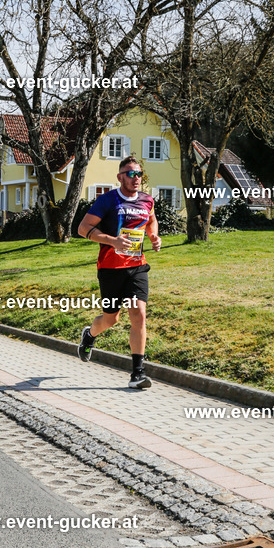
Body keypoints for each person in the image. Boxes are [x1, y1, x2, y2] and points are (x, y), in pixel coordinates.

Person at [77, 156, 161, 389]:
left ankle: (138, 373)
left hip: (136, 267)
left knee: (139, 315)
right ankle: (90, 335)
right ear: (120, 176)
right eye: (131, 173)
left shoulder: (147, 200)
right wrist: (112, 241)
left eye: (139, 174)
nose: (136, 178)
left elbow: (151, 220)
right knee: (111, 319)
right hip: (110, 269)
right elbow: (83, 229)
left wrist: (153, 235)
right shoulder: (107, 201)